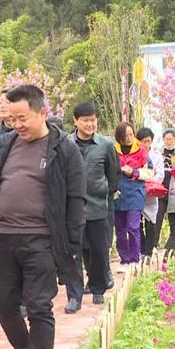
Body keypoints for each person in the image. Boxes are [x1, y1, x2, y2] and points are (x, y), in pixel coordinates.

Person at [0, 84, 86, 349]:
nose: (17, 125)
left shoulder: (64, 149)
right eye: (11, 119)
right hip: (3, 239)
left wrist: (71, 249)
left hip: (42, 241)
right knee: (3, 304)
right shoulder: (5, 144)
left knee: (38, 306)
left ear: (42, 113)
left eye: (22, 118)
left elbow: (76, 201)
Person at [68, 102, 119, 311]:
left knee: (99, 251)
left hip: (98, 206)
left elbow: (113, 174)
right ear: (76, 121)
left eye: (93, 120)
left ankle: (98, 288)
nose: (90, 124)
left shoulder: (106, 145)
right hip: (72, 208)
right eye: (85, 120)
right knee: (73, 253)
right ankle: (74, 296)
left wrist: (106, 192)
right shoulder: (66, 144)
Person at [113, 121, 152, 271]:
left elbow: (149, 172)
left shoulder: (141, 151)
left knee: (133, 227)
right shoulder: (112, 149)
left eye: (131, 134)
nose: (129, 138)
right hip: (117, 194)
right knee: (120, 229)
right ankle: (125, 260)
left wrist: (134, 172)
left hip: (135, 193)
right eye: (125, 135)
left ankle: (135, 259)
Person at [138, 127, 165, 259]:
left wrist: (149, 180)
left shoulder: (156, 156)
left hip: (151, 193)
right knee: (136, 223)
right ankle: (141, 249)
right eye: (143, 141)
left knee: (151, 222)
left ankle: (148, 251)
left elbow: (160, 174)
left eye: (148, 141)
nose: (146, 144)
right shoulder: (134, 154)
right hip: (137, 192)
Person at [154, 129, 175, 250]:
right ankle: (154, 243)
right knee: (158, 216)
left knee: (174, 217)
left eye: (171, 139)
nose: (169, 141)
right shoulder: (158, 153)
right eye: (167, 139)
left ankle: (172, 244)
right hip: (161, 187)